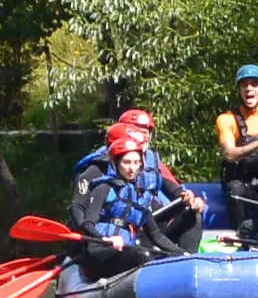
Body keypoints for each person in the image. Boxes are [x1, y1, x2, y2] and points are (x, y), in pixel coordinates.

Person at [72, 114, 204, 252]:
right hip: (113, 235)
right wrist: (94, 235)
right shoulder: (95, 170)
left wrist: (189, 198)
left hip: (147, 225)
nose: (133, 166)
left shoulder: (142, 166)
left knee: (191, 213)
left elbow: (173, 189)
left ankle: (188, 259)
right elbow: (78, 208)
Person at [70, 137, 187, 279]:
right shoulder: (104, 188)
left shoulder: (142, 197)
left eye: (136, 162)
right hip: (99, 252)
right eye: (126, 162)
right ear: (115, 163)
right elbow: (87, 223)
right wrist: (105, 239)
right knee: (142, 256)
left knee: (154, 256)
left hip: (125, 252)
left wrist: (182, 254)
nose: (132, 168)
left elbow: (156, 236)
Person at [217, 65, 258, 240]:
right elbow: (230, 154)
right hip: (239, 183)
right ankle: (239, 236)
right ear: (239, 90)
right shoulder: (227, 120)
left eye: (254, 84)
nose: (249, 89)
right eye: (244, 85)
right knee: (235, 189)